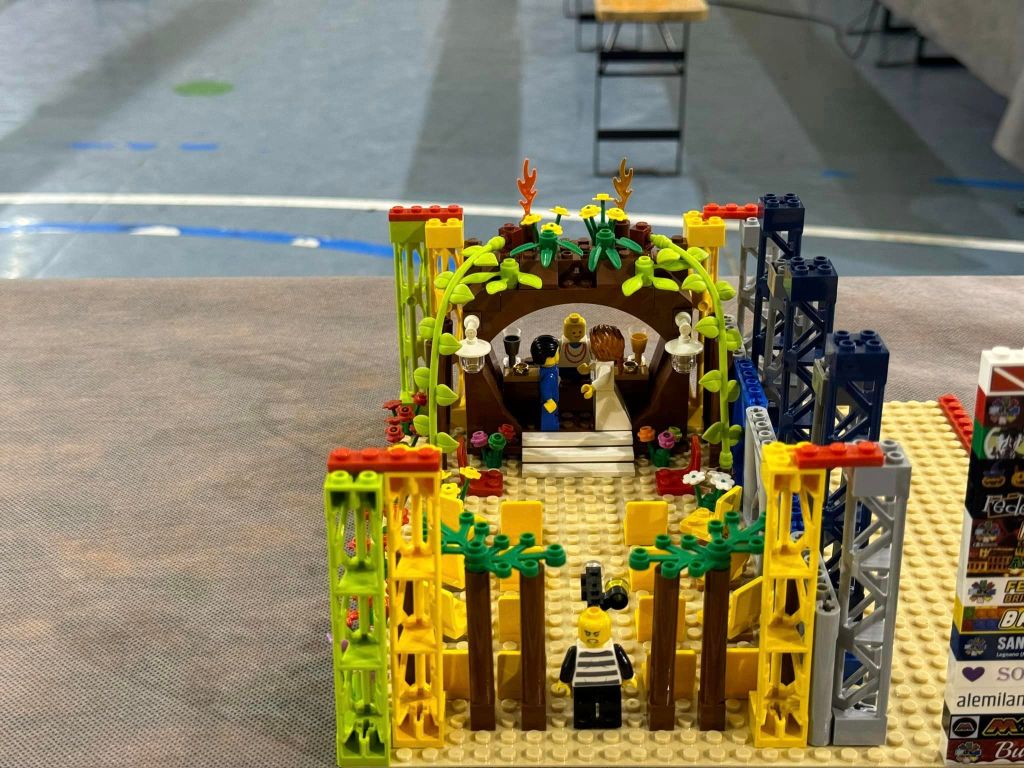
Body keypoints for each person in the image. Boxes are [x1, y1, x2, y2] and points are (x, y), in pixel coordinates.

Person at [554, 606, 635, 729]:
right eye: (587, 633)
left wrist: (628, 677)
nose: (592, 637)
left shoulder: (614, 649)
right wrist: (564, 680)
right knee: (584, 705)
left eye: (596, 634)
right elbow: (568, 665)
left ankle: (610, 719)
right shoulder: (576, 650)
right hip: (582, 684)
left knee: (610, 704)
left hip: (610, 683)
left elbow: (624, 663)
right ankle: (584, 720)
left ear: (606, 631)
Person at [581, 324, 630, 431]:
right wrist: (588, 367)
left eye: (593, 344)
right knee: (600, 412)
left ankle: (605, 428)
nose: (591, 346)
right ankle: (600, 425)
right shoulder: (603, 362)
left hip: (605, 394)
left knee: (605, 413)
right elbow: (596, 364)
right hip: (602, 392)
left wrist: (592, 387)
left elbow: (603, 378)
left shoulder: (606, 367)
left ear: (602, 350)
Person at [531, 334, 561, 431]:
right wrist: (549, 400)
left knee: (554, 414)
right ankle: (550, 429)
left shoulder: (550, 369)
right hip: (549, 401)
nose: (558, 355)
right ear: (547, 358)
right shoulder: (549, 375)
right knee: (549, 416)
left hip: (553, 398)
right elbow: (545, 388)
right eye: (557, 353)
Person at [559, 313, 591, 381]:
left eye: (580, 332)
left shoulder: (586, 343)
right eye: (573, 333)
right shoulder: (563, 343)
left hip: (584, 370)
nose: (577, 334)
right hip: (564, 369)